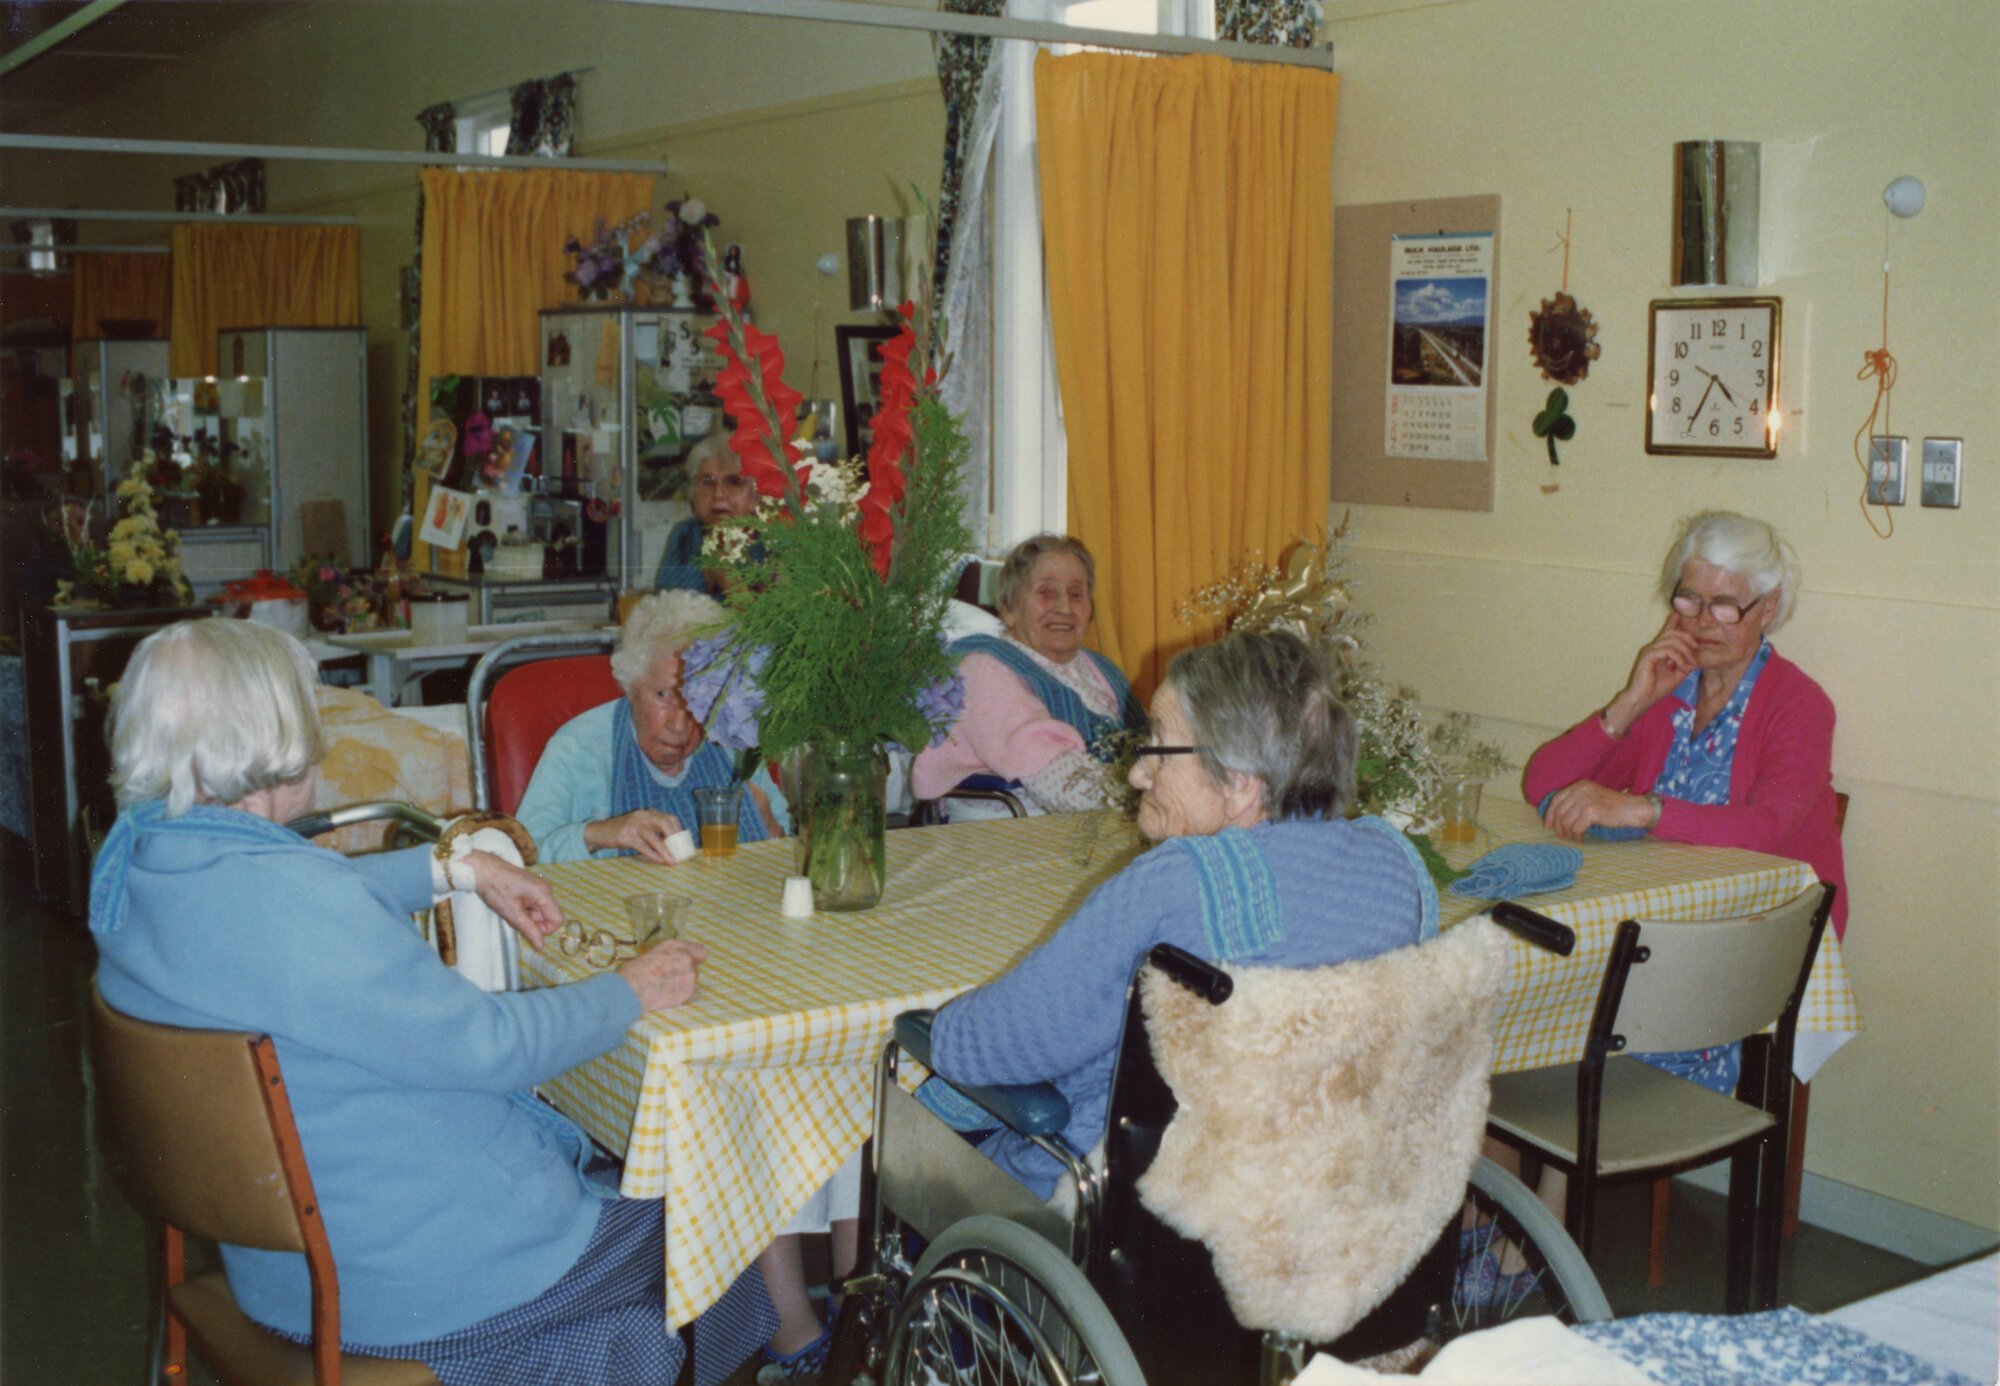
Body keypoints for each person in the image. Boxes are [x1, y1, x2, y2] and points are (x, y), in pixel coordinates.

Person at [88, 617, 773, 1386]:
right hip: (425, 1281)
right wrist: (629, 990)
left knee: (637, 1312)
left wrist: (456, 868)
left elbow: (298, 908)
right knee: (724, 1218)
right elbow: (492, 1045)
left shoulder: (143, 867)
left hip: (285, 1274)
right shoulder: (301, 911)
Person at [925, 629, 1438, 1199]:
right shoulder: (1398, 870)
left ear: (1241, 785)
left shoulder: (1181, 884)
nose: (1138, 773)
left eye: (1158, 747)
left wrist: (935, 1033)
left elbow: (1004, 1041)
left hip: (1130, 1204)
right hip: (1324, 1200)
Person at [1522, 509, 1847, 1094]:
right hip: (1648, 937)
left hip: (1742, 956)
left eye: (1726, 605)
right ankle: (1536, 1183)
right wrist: (1631, 700)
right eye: (1689, 600)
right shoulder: (1675, 691)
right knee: (1508, 1019)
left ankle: (1555, 1181)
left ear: (1768, 609)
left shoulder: (1800, 705)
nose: (1701, 622)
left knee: (1561, 1042)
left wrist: (1641, 809)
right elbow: (1542, 782)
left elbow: (1766, 827)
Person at [516, 590, 786, 864]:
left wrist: (769, 824)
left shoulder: (733, 744)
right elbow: (522, 858)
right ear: (632, 685)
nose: (680, 724)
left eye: (699, 700)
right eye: (664, 695)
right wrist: (597, 834)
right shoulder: (578, 748)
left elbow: (791, 853)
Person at [911, 534, 1146, 821]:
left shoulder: (1101, 668)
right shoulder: (984, 667)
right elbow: (1055, 779)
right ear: (1009, 610)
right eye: (1046, 593)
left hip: (1096, 822)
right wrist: (1149, 800)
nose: (1065, 607)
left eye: (1076, 594)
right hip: (1008, 833)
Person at [655, 431, 758, 593]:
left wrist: (724, 576)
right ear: (693, 493)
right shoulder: (685, 533)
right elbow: (667, 594)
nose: (718, 494)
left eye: (733, 482)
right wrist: (711, 570)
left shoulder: (773, 541)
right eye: (708, 482)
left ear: (755, 497)